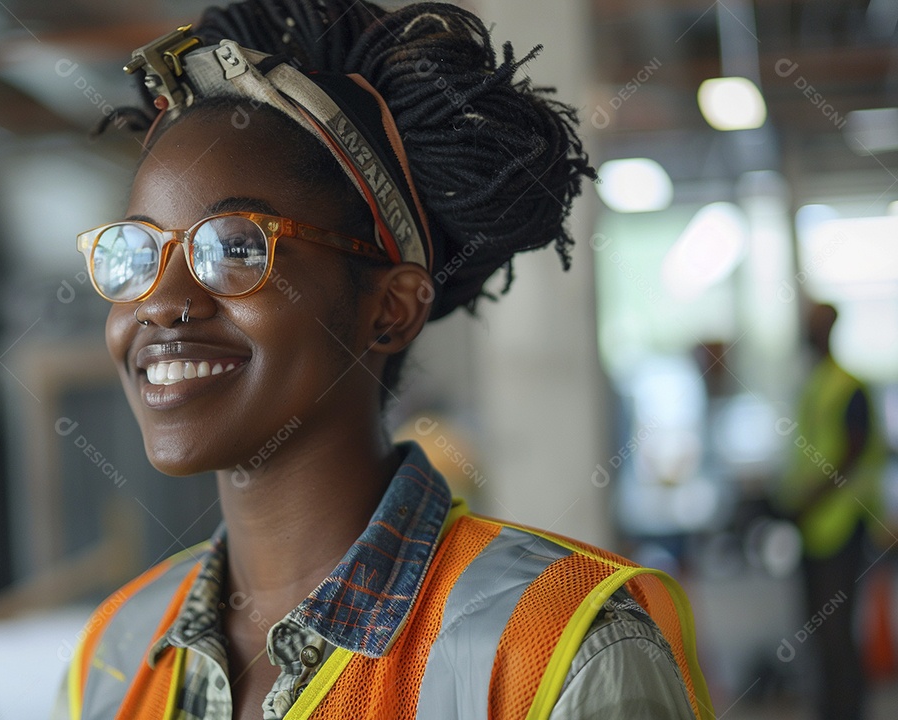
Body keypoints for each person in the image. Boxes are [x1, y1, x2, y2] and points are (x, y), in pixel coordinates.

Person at [55, 1, 712, 718]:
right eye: (136, 253)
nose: (159, 301)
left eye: (235, 247)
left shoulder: (555, 649)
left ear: (392, 308)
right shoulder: (112, 656)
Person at [777, 303, 889, 720]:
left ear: (829, 330)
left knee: (838, 631)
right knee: (820, 631)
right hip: (813, 527)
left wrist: (807, 501)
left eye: (814, 326)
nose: (807, 333)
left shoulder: (847, 387)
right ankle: (830, 709)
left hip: (843, 524)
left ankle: (848, 710)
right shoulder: (814, 385)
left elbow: (852, 453)